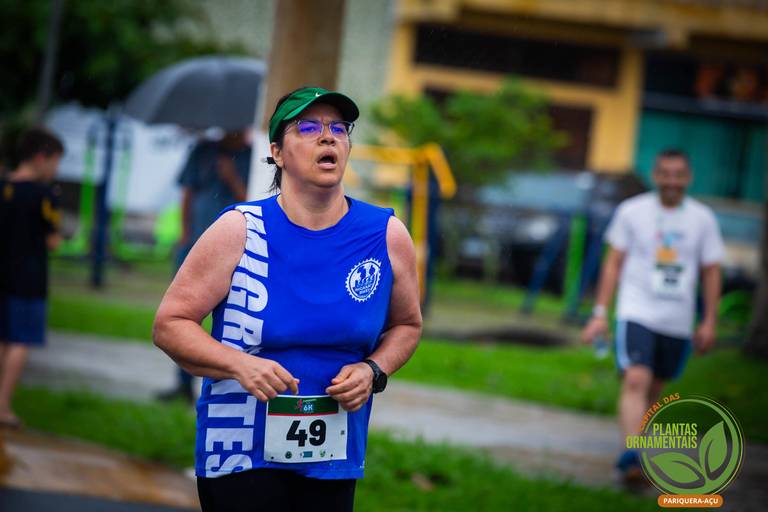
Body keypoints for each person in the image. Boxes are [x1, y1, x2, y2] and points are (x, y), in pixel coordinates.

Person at [153, 86, 422, 511]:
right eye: (308, 127)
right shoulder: (240, 230)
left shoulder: (385, 235)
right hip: (241, 453)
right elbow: (170, 324)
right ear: (277, 152)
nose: (328, 136)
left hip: (333, 459)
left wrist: (373, 370)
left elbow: (407, 325)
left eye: (338, 128)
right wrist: (239, 364)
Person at [581, 149, 724, 482]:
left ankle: (637, 451)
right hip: (636, 309)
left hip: (677, 318)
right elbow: (613, 262)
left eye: (679, 175)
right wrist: (600, 313)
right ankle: (632, 457)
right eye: (666, 174)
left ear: (688, 178)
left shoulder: (702, 219)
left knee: (654, 388)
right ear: (656, 176)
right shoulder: (632, 211)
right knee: (635, 379)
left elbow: (711, 271)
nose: (672, 181)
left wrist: (709, 321)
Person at [157, 130, 252, 402]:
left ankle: (227, 382)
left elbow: (253, 200)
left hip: (237, 252)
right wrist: (185, 233)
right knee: (186, 317)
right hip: (195, 242)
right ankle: (183, 383)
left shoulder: (255, 156)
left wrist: (232, 177)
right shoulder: (203, 150)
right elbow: (187, 192)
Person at [0, 128, 64, 428]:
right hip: (29, 279)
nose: (55, 170)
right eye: (55, 162)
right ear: (41, 157)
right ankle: (3, 406)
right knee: (20, 341)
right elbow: (53, 241)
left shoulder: (3, 186)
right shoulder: (44, 194)